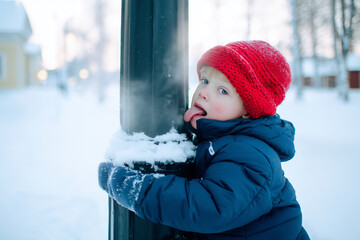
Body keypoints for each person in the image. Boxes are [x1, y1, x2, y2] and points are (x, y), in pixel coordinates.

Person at [98, 40, 310, 240]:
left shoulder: (249, 152)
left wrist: (134, 188)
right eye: (205, 81)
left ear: (248, 112)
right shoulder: (225, 140)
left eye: (223, 91)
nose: (204, 93)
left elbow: (209, 207)